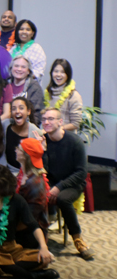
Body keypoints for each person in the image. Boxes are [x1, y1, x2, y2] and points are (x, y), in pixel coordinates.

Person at [0, 164, 58, 279]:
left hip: (13, 249)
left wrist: (43, 247)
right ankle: (32, 275)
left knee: (43, 258)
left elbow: (33, 225)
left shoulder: (16, 200)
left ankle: (0, 270)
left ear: (2, 182)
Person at [42, 108, 94, 260]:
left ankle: (78, 239)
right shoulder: (43, 140)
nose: (46, 122)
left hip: (73, 183)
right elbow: (43, 170)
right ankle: (37, 238)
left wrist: (59, 187)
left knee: (63, 199)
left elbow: (81, 172)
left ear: (60, 122)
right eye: (44, 119)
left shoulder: (75, 141)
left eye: (50, 119)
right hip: (51, 182)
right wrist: (43, 151)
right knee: (32, 193)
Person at [15, 138, 51, 244]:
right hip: (20, 224)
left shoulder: (35, 184)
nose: (15, 150)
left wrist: (9, 231)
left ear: (25, 156)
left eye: (18, 149)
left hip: (30, 233)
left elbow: (30, 219)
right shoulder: (23, 173)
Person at [0, 97, 41, 174]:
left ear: (28, 111)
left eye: (21, 108)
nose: (17, 111)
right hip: (5, 171)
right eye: (14, 109)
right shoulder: (5, 125)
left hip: (27, 174)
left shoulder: (35, 132)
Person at [43, 59, 82, 131]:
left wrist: (56, 129)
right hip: (49, 135)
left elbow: (75, 124)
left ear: (68, 75)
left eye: (62, 72)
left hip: (66, 136)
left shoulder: (73, 95)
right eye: (56, 71)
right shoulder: (48, 93)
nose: (58, 75)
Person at [7, 55, 44, 125]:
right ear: (11, 68)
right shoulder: (5, 85)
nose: (19, 69)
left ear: (28, 71)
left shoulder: (35, 88)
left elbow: (37, 115)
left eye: (23, 67)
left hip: (27, 127)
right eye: (16, 66)